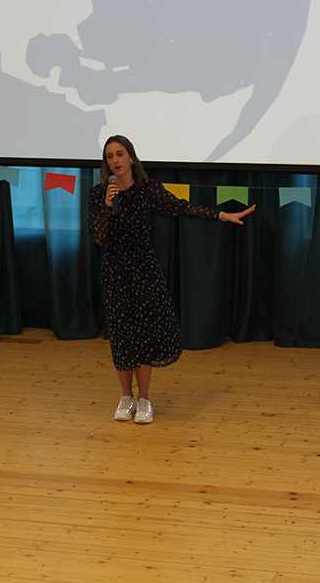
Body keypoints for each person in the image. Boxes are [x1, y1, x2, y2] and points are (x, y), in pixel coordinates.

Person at [87, 135, 255, 424]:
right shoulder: (98, 194)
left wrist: (221, 215)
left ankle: (144, 399)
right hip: (115, 272)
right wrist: (106, 204)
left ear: (131, 158)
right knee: (122, 336)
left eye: (120, 154)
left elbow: (182, 208)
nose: (115, 160)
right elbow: (97, 236)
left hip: (144, 270)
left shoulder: (148, 189)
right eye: (109, 156)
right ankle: (126, 396)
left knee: (144, 335)